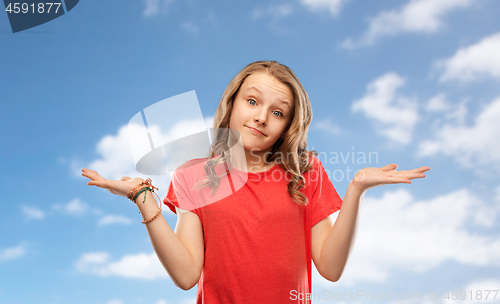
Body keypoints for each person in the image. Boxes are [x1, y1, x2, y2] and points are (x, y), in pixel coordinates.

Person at [82, 60, 430, 303]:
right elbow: (187, 275)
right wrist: (144, 198)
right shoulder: (194, 175)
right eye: (252, 101)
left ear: (287, 125)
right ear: (232, 103)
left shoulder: (305, 172)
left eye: (278, 112)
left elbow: (331, 267)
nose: (262, 117)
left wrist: (356, 190)